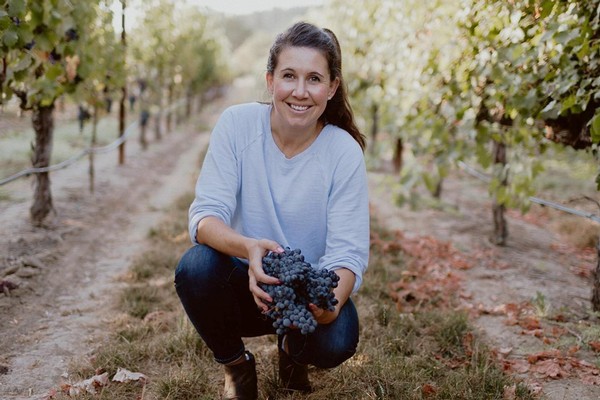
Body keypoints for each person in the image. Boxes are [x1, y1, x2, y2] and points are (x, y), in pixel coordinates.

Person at [174, 21, 369, 399]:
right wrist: (249, 248)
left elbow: (348, 253)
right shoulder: (237, 124)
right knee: (194, 268)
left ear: (331, 88)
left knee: (336, 341)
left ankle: (293, 350)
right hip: (247, 281)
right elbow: (204, 218)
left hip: (306, 288)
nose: (300, 91)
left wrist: (329, 307)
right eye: (289, 76)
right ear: (270, 81)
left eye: (314, 79)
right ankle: (236, 367)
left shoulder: (343, 151)